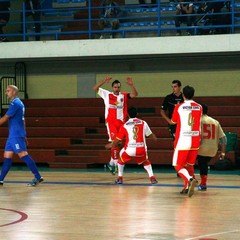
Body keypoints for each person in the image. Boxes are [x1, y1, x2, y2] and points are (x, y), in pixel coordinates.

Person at [92, 76, 138, 175]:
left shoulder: (124, 96)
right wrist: (103, 81)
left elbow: (135, 94)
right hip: (111, 123)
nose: (117, 89)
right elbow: (94, 88)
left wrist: (131, 85)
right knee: (115, 142)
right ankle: (116, 167)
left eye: (118, 87)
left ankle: (111, 163)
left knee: (119, 144)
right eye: (115, 87)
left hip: (122, 123)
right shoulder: (106, 94)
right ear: (112, 88)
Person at [0, 85, 43, 187]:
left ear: (14, 92)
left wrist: (22, 135)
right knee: (7, 156)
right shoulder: (18, 103)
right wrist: (25, 135)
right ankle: (1, 179)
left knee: (23, 155)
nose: (6, 93)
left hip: (16, 135)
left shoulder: (15, 103)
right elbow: (23, 120)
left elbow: (5, 118)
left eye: (8, 91)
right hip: (13, 135)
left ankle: (38, 177)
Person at [105, 107, 158, 184]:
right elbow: (150, 135)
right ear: (137, 114)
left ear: (127, 115)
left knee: (121, 159)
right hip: (141, 149)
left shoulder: (125, 125)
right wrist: (154, 138)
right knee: (145, 161)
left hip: (130, 149)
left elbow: (118, 140)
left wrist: (111, 145)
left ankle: (120, 178)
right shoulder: (143, 122)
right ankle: (152, 178)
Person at [171, 85, 202, 197]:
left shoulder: (179, 107)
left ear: (183, 95)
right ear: (193, 95)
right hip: (195, 139)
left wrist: (176, 108)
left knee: (178, 165)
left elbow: (173, 121)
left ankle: (190, 179)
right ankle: (186, 187)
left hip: (183, 140)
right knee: (189, 165)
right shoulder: (199, 107)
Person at [197, 103, 227, 191]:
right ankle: (202, 183)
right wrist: (223, 152)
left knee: (188, 160)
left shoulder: (197, 121)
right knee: (203, 163)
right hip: (213, 150)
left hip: (201, 148)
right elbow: (224, 139)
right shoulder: (215, 121)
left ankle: (193, 180)